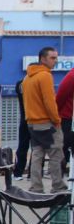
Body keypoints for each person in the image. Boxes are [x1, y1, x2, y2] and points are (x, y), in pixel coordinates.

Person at [23, 47, 68, 193]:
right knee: (56, 155)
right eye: (52, 58)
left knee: (37, 155)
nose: (55, 61)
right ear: (43, 59)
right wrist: (56, 120)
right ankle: (58, 187)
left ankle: (36, 187)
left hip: (32, 123)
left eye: (56, 58)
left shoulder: (27, 77)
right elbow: (49, 102)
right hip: (47, 122)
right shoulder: (45, 76)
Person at [55, 67, 74, 174]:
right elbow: (60, 97)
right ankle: (58, 179)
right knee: (63, 149)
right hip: (68, 119)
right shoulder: (71, 76)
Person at [13, 78, 30, 180]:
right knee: (25, 147)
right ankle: (18, 172)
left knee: (25, 147)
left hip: (25, 120)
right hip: (29, 120)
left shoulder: (20, 83)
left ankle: (20, 173)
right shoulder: (22, 83)